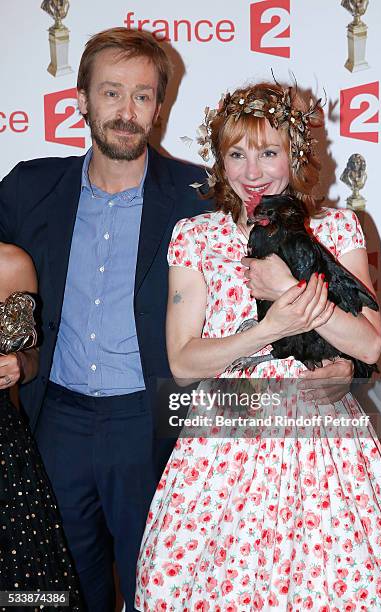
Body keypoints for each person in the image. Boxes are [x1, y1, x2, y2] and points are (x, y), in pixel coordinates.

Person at [135, 82, 381, 610]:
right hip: (223, 446)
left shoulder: (337, 227)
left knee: (347, 588)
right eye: (236, 154)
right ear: (219, 160)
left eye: (268, 152)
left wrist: (287, 291)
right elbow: (183, 361)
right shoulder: (196, 236)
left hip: (324, 445)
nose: (252, 172)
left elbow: (371, 347)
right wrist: (269, 329)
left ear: (295, 154)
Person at [0, 27, 211, 612]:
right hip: (56, 423)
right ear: (81, 100)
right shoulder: (29, 188)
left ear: (160, 107)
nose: (126, 111)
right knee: (60, 593)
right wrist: (16, 352)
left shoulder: (200, 198)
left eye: (142, 96)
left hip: (150, 427)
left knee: (158, 590)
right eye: (111, 93)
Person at [0, 243, 84, 610]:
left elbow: (30, 356)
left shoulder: (10, 264)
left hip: (3, 453)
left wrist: (19, 363)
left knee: (24, 592)